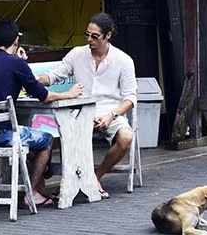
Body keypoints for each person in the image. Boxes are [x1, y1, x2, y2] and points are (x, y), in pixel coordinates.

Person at [0, 20, 83, 206]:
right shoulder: (16, 64)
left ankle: (36, 183)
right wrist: (68, 94)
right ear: (16, 42)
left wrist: (19, 62)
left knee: (28, 140)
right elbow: (43, 95)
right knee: (46, 140)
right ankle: (33, 193)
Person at [37, 12, 137, 199]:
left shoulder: (123, 60)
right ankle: (66, 179)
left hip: (109, 110)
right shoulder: (77, 54)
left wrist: (112, 115)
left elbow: (130, 98)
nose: (89, 40)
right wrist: (34, 80)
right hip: (81, 110)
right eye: (87, 35)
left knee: (126, 137)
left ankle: (94, 177)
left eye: (94, 36)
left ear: (108, 36)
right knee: (56, 137)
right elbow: (55, 75)